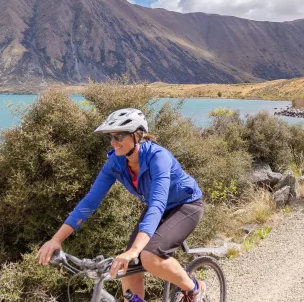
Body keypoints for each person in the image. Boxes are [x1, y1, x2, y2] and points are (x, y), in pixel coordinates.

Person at [36, 108, 206, 302]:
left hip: (185, 205)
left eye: (119, 136)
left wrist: (135, 250)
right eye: (111, 137)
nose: (113, 142)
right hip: (156, 207)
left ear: (137, 135)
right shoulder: (114, 163)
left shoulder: (159, 157)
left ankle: (194, 288)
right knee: (128, 266)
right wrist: (56, 239)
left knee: (148, 257)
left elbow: (157, 204)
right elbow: (90, 202)